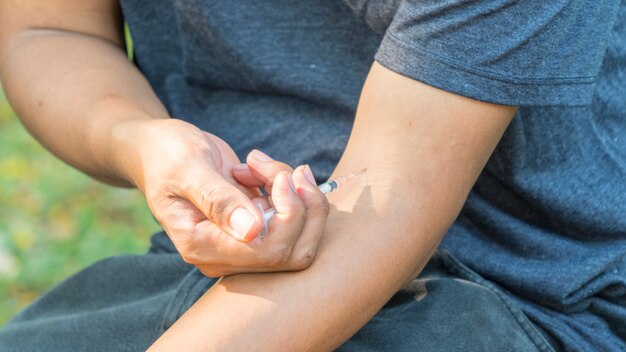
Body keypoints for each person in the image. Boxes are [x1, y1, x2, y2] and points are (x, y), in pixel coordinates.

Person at [0, 0, 624, 351]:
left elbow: (393, 195)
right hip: (210, 281)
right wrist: (141, 140)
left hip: (522, 296)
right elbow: (49, 27)